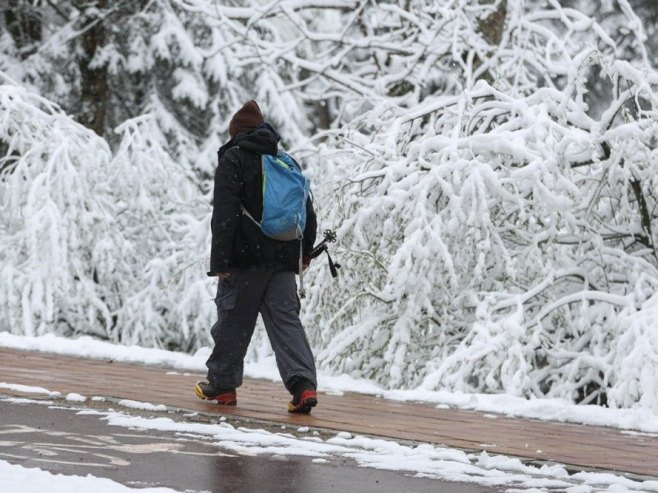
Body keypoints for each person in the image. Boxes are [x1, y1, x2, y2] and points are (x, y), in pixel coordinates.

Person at [195, 100, 319, 414]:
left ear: (236, 133)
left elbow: (224, 213)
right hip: (283, 258)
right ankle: (303, 386)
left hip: (245, 259)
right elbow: (307, 209)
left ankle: (223, 387)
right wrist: (303, 254)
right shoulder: (283, 160)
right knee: (286, 322)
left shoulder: (234, 159)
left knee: (234, 321)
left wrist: (220, 262)